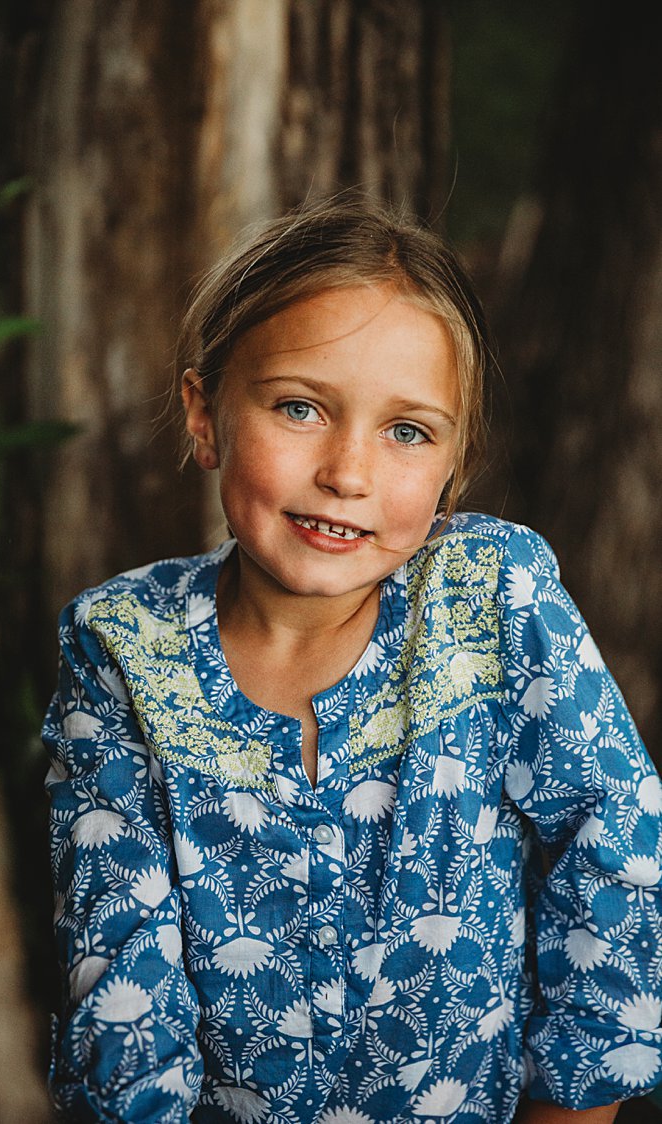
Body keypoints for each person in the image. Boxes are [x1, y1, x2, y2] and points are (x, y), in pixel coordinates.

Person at [44, 197, 662, 1123]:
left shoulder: (490, 597)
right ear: (205, 413)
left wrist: (574, 1104)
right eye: (300, 408)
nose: (348, 471)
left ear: (454, 465)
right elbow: (120, 957)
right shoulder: (124, 646)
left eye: (407, 430)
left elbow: (613, 835)